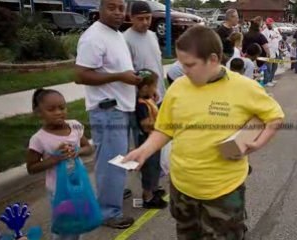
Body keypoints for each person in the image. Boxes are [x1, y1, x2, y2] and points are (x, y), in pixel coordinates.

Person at [123, 26, 284, 239]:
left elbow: (274, 117)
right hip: (182, 188)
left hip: (224, 191)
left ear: (213, 59)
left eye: (190, 65)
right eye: (181, 64)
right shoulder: (178, 87)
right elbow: (164, 129)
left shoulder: (245, 87)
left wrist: (257, 143)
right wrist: (144, 150)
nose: (184, 70)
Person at [75, 0, 142, 229]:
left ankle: (111, 193)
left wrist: (130, 76)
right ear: (100, 9)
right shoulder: (93, 37)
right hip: (107, 109)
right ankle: (108, 212)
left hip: (120, 107)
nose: (117, 12)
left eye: (121, 8)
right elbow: (81, 75)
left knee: (116, 159)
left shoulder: (115, 33)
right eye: (111, 7)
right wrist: (120, 77)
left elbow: (115, 68)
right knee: (111, 161)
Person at [26, 89, 94, 240]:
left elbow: (89, 148)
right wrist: (54, 159)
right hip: (58, 189)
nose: (58, 112)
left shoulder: (75, 126)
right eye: (51, 109)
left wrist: (78, 151)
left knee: (79, 220)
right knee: (66, 224)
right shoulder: (39, 139)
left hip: (79, 184)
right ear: (38, 112)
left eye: (62, 108)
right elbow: (31, 168)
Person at [135, 69, 167, 209]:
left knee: (155, 167)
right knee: (149, 168)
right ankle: (147, 197)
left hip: (154, 138)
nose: (156, 89)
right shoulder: (141, 104)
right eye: (154, 86)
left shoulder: (148, 100)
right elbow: (145, 124)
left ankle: (154, 189)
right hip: (147, 140)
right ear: (146, 87)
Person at [124, 1, 166, 104]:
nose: (145, 22)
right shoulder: (125, 39)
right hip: (143, 99)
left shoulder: (153, 36)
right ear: (131, 18)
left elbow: (157, 65)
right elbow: (130, 72)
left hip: (160, 94)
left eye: (148, 18)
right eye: (140, 19)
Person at [262, 18, 282, 87]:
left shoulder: (274, 30)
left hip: (276, 51)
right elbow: (264, 42)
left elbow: (280, 38)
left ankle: (271, 79)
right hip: (269, 52)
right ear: (267, 24)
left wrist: (277, 35)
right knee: (268, 68)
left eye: (271, 24)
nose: (271, 25)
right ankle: (266, 81)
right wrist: (272, 38)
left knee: (275, 67)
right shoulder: (264, 32)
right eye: (269, 24)